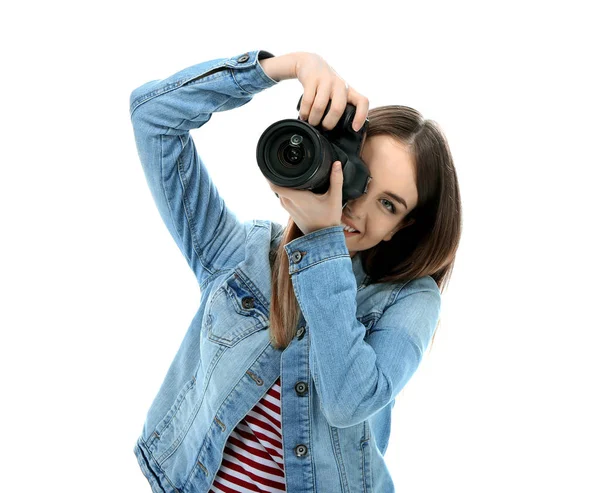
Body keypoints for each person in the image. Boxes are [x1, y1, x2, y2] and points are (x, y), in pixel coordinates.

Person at [129, 49, 462, 493]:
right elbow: (153, 117)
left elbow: (348, 400)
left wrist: (320, 240)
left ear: (403, 227)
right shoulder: (246, 254)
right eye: (358, 178)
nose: (356, 206)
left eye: (388, 204)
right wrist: (281, 68)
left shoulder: (411, 301)